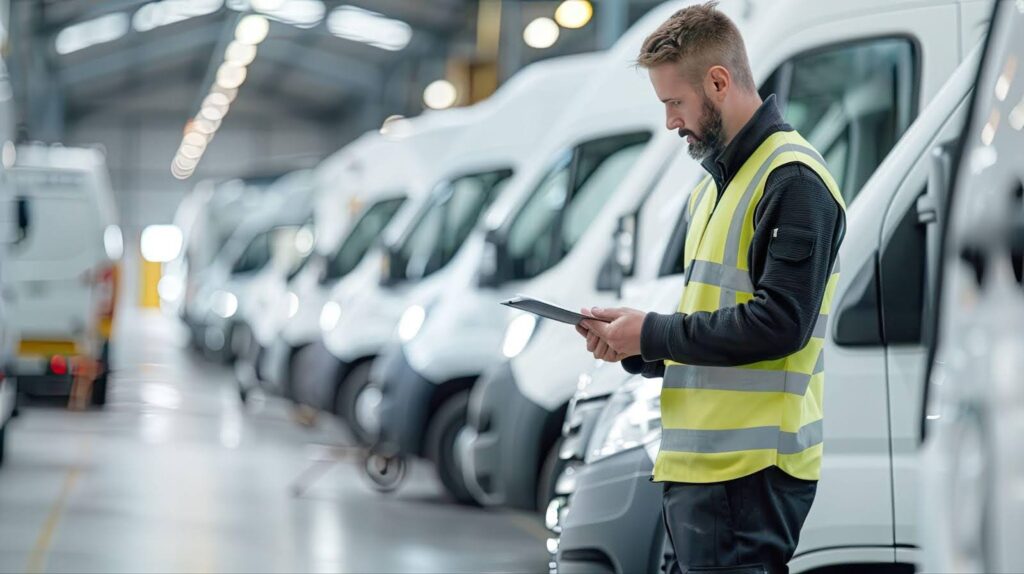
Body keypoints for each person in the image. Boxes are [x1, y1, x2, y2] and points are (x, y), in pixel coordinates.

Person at [575, 3, 846, 573]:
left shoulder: (792, 180)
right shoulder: (713, 188)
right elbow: (711, 324)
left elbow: (780, 323)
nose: (671, 122)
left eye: (675, 103)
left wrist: (652, 332)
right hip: (701, 473)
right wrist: (637, 344)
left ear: (718, 82)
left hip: (749, 475)